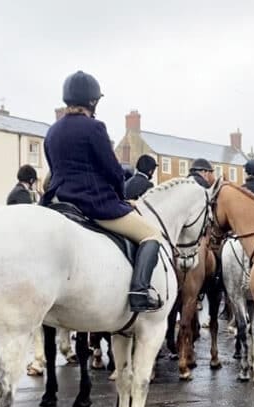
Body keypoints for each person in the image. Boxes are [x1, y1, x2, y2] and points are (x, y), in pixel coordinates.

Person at [39, 70, 164, 313]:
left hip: (56, 201)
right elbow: (113, 171)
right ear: (93, 101)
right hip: (93, 203)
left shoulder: (52, 131)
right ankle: (139, 291)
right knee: (152, 235)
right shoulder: (94, 127)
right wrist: (122, 199)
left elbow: (54, 170)